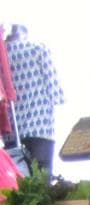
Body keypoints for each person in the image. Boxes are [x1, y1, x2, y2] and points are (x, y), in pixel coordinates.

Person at [4, 25, 64, 174]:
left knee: (17, 180)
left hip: (12, 129)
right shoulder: (38, 49)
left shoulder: (3, 55)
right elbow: (57, 94)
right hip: (40, 126)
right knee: (41, 178)